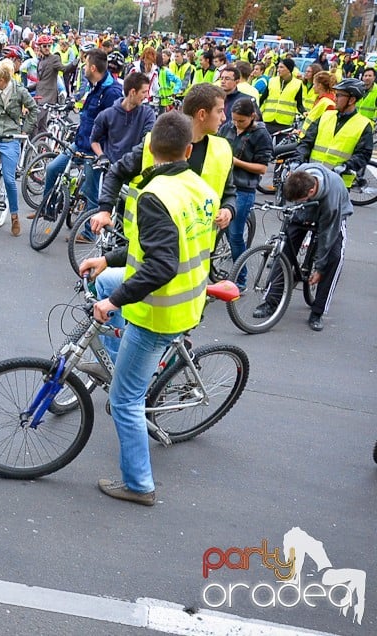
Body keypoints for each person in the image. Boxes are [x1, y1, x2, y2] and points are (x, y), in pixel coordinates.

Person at [77, 112, 219, 506]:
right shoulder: (200, 189)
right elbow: (164, 248)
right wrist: (109, 262)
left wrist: (113, 301)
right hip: (187, 301)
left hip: (158, 312)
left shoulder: (155, 196)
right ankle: (123, 361)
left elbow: (159, 264)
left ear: (149, 147)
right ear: (188, 150)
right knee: (106, 284)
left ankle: (139, 485)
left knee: (124, 400)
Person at [252, 165, 351, 332]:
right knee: (284, 250)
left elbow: (328, 235)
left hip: (332, 217)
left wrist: (320, 268)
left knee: (334, 258)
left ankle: (318, 311)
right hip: (303, 212)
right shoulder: (299, 175)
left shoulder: (332, 195)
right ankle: (271, 301)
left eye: (299, 199)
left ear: (311, 191)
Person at [41, 49, 122, 223]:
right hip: (79, 143)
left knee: (91, 193)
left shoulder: (112, 91)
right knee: (52, 169)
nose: (83, 68)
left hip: (94, 150)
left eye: (85, 65)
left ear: (93, 68)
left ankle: (88, 232)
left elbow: (113, 125)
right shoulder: (94, 86)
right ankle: (47, 208)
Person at [218, 98, 272, 287]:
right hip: (223, 184)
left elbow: (262, 168)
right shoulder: (227, 128)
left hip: (243, 189)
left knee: (235, 235)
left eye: (241, 121)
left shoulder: (261, 135)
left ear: (252, 117)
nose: (237, 124)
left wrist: (235, 161)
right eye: (234, 120)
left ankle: (240, 280)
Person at [0, 58, 36, 236]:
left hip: (11, 136)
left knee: (10, 179)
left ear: (2, 80)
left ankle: (14, 216)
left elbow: (34, 110)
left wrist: (25, 131)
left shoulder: (20, 91)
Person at [296, 77, 374, 188]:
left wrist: (346, 166)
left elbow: (363, 154)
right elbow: (307, 141)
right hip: (312, 178)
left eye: (339, 95)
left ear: (351, 100)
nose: (334, 98)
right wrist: (298, 158)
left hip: (338, 183)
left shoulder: (363, 124)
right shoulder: (326, 115)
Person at [261, 58, 304, 136]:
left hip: (285, 123)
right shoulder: (271, 81)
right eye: (278, 67)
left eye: (281, 67)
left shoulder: (298, 84)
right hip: (268, 121)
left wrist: (304, 112)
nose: (278, 70)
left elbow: (299, 104)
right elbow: (262, 99)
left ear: (289, 69)